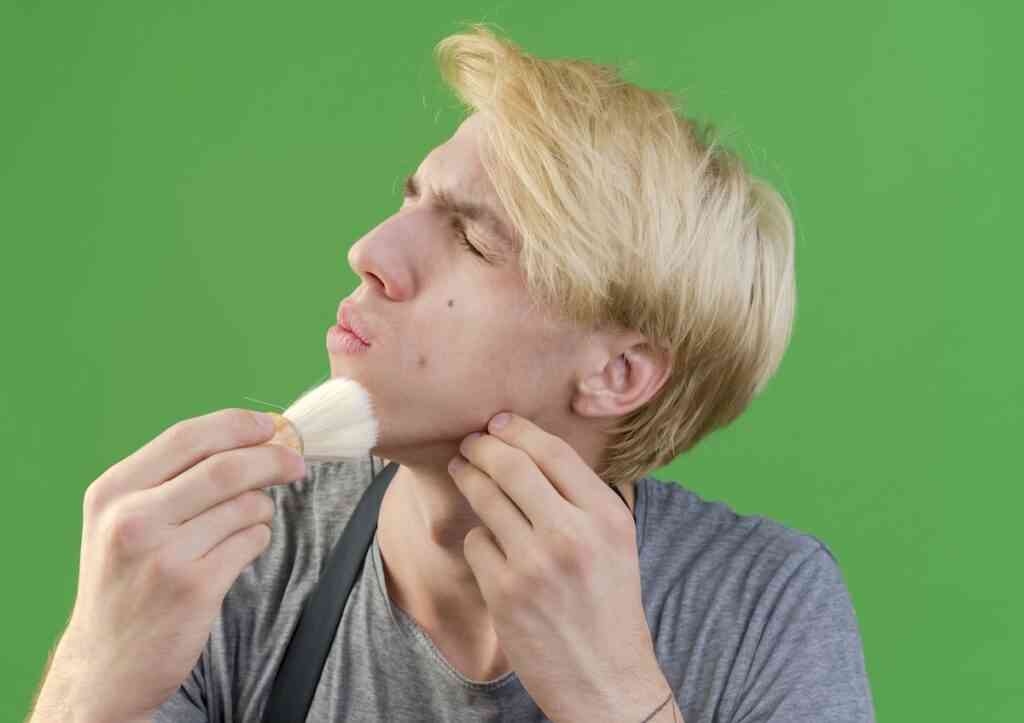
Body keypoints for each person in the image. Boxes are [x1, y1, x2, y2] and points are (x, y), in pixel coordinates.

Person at [31, 23, 875, 723]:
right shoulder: (237, 556)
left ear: (618, 371)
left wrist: (614, 697)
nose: (370, 253)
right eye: (412, 200)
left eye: (472, 239)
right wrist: (89, 676)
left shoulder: (761, 607)